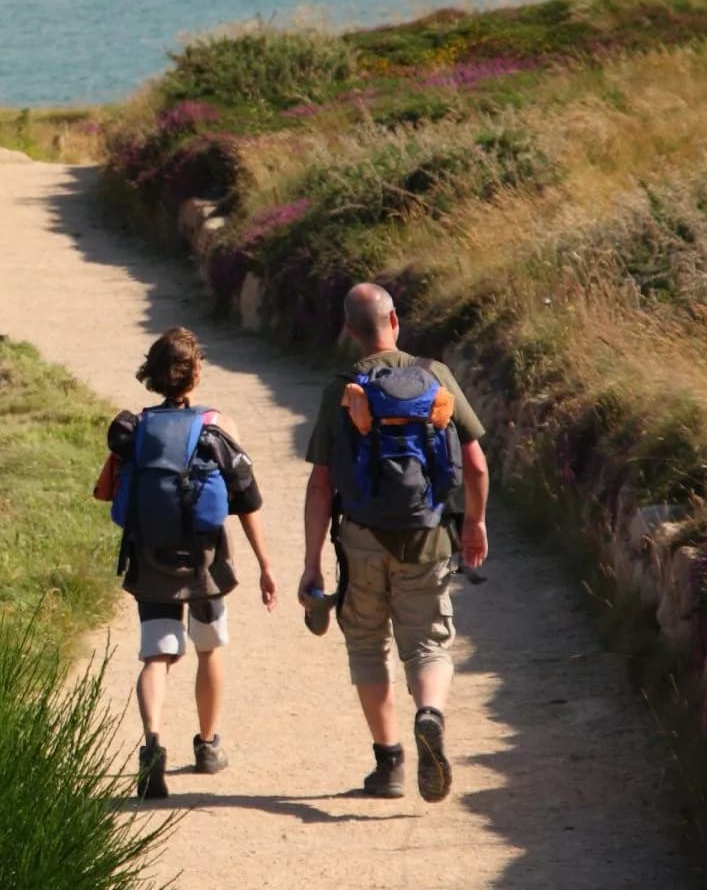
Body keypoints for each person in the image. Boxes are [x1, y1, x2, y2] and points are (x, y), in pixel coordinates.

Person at [298, 282, 490, 803]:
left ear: (349, 331)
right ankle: (429, 713)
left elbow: (321, 484)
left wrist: (313, 563)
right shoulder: (435, 376)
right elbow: (474, 462)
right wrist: (474, 523)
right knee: (427, 642)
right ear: (395, 321)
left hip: (360, 539)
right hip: (427, 536)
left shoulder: (342, 388)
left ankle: (390, 764)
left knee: (366, 644)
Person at [99, 326, 277, 800]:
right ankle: (207, 744)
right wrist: (264, 564)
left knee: (156, 653)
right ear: (195, 372)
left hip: (151, 558)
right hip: (205, 561)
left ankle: (152, 741)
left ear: (152, 376)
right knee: (208, 648)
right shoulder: (218, 427)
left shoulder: (135, 430)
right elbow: (247, 502)